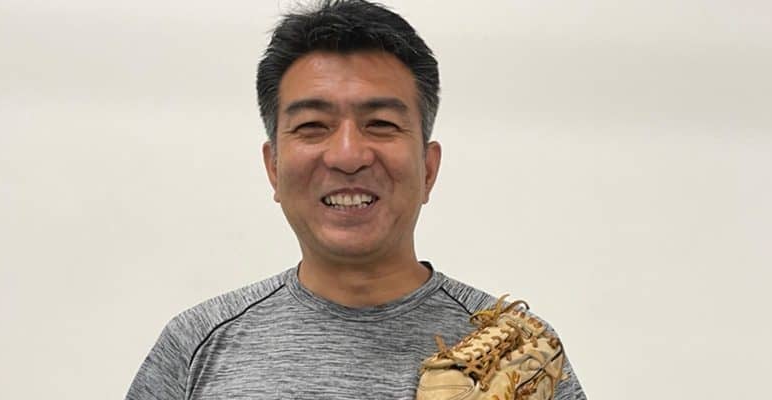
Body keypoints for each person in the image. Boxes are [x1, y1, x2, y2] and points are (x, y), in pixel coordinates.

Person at [125, 1, 586, 399]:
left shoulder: (520, 355)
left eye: (381, 124)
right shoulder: (196, 346)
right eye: (312, 126)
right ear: (274, 168)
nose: (348, 155)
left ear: (428, 169)